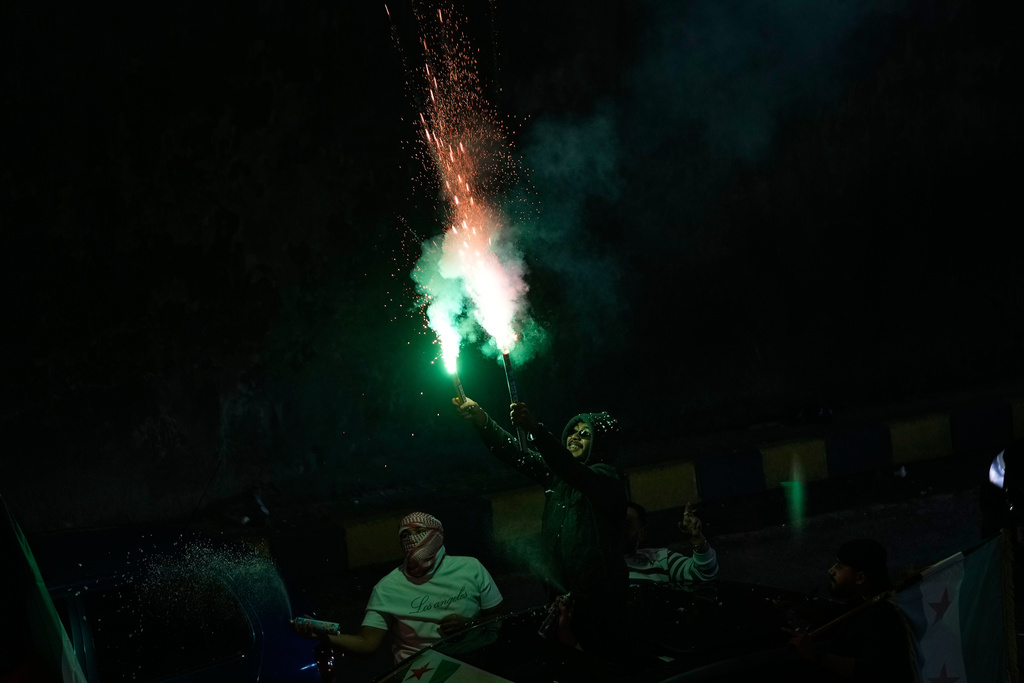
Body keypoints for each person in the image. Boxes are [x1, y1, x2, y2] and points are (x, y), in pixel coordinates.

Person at [454, 397, 627, 651]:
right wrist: (482, 419)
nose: (574, 437)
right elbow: (515, 452)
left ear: (602, 443)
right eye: (571, 432)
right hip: (562, 602)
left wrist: (535, 429)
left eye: (585, 433)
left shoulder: (605, 479)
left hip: (602, 606)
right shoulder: (558, 478)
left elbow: (572, 470)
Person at [292, 511, 504, 665]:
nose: (411, 538)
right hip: (420, 671)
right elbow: (367, 644)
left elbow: (500, 617)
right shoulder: (388, 587)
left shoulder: (470, 568)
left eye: (419, 531)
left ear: (437, 535)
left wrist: (471, 625)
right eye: (405, 535)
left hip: (477, 663)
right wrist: (323, 635)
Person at [787, 538, 914, 682]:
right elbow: (834, 618)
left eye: (839, 566)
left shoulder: (879, 617)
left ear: (860, 578)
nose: (831, 570)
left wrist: (815, 655)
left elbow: (870, 671)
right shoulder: (861, 605)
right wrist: (802, 611)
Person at [624, 500, 719, 583]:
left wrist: (697, 540)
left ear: (642, 533)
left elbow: (704, 574)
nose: (617, 528)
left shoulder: (661, 560)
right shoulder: (609, 568)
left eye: (626, 523)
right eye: (613, 522)